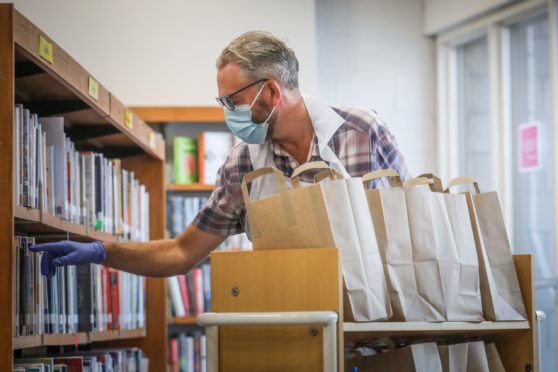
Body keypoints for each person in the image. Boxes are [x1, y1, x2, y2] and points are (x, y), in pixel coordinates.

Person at [30, 31, 410, 277]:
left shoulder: (363, 133)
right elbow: (182, 252)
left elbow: (410, 230)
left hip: (378, 330)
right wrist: (100, 252)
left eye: (234, 101)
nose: (228, 113)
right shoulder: (242, 165)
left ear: (273, 92)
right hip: (297, 321)